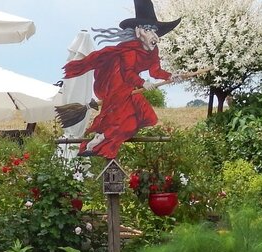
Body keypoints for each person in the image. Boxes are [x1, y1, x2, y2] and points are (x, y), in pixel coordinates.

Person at [64, 0, 180, 159]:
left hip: (130, 85)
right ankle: (100, 138)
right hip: (118, 83)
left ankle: (100, 138)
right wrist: (143, 83)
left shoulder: (153, 50)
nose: (154, 36)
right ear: (138, 31)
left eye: (155, 31)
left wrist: (170, 76)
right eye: (148, 30)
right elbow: (128, 73)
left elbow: (155, 71)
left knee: (134, 122)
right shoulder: (129, 50)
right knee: (133, 118)